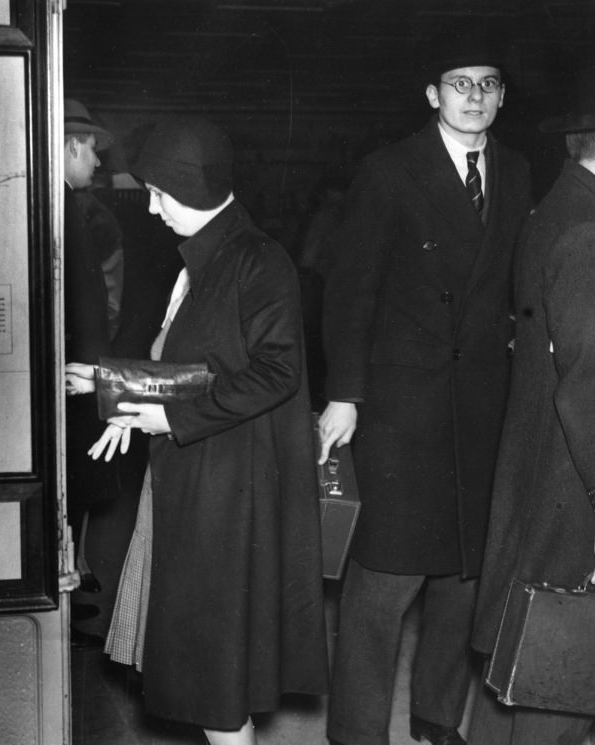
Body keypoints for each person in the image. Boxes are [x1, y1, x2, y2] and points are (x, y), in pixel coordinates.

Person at [70, 117, 328, 745]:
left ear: (194, 187)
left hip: (228, 493)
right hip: (202, 482)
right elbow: (201, 367)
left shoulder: (258, 261)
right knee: (210, 671)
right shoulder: (209, 257)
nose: (152, 209)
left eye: (161, 194)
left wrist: (166, 416)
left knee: (217, 675)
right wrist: (116, 387)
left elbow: (277, 372)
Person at [317, 35, 533, 745]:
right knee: (384, 579)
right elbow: (351, 290)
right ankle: (356, 731)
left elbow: (514, 285)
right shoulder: (389, 171)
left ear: (501, 97)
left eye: (489, 82)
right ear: (433, 95)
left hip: (482, 403)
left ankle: (439, 718)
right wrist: (344, 393)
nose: (475, 95)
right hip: (401, 411)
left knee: (464, 575)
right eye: (460, 82)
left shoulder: (518, 170)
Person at [466, 75, 595, 745]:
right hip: (573, 484)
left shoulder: (558, 211)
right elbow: (590, 385)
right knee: (562, 680)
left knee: (517, 661)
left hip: (545, 472)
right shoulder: (588, 231)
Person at [62, 99, 116, 633]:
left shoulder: (62, 203)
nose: (97, 163)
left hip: (78, 372)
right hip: (76, 377)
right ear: (73, 146)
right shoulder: (65, 208)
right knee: (73, 484)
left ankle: (72, 585)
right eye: (93, 151)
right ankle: (67, 602)